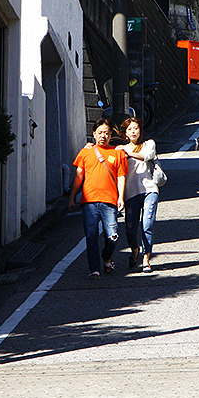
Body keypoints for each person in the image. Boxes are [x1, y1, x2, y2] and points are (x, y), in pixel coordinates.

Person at [69, 118, 128, 278]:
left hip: (110, 201)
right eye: (100, 132)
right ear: (94, 133)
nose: (103, 136)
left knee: (113, 235)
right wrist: (72, 197)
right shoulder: (85, 152)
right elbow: (78, 177)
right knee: (91, 235)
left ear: (111, 135)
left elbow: (121, 177)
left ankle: (107, 256)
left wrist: (121, 197)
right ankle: (94, 268)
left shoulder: (117, 153)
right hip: (89, 202)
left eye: (107, 133)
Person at [117, 117, 159, 273]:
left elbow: (147, 156)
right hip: (131, 193)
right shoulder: (120, 150)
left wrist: (127, 152)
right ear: (125, 133)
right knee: (130, 229)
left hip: (150, 189)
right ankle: (135, 250)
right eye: (130, 129)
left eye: (136, 128)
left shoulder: (149, 144)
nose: (133, 131)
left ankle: (146, 258)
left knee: (147, 224)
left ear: (140, 130)